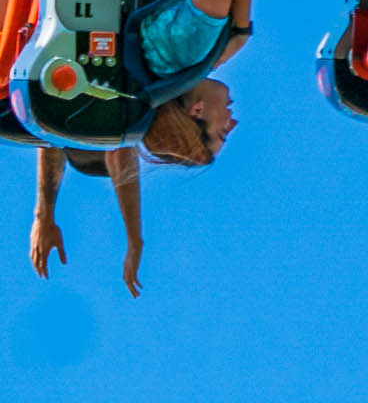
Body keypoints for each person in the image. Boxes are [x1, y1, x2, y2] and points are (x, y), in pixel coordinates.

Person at [29, 85, 235, 294]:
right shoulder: (166, 79)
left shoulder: (139, 95)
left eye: (224, 132)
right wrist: (134, 240)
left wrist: (44, 216)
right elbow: (55, 134)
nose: (234, 123)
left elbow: (114, 149)